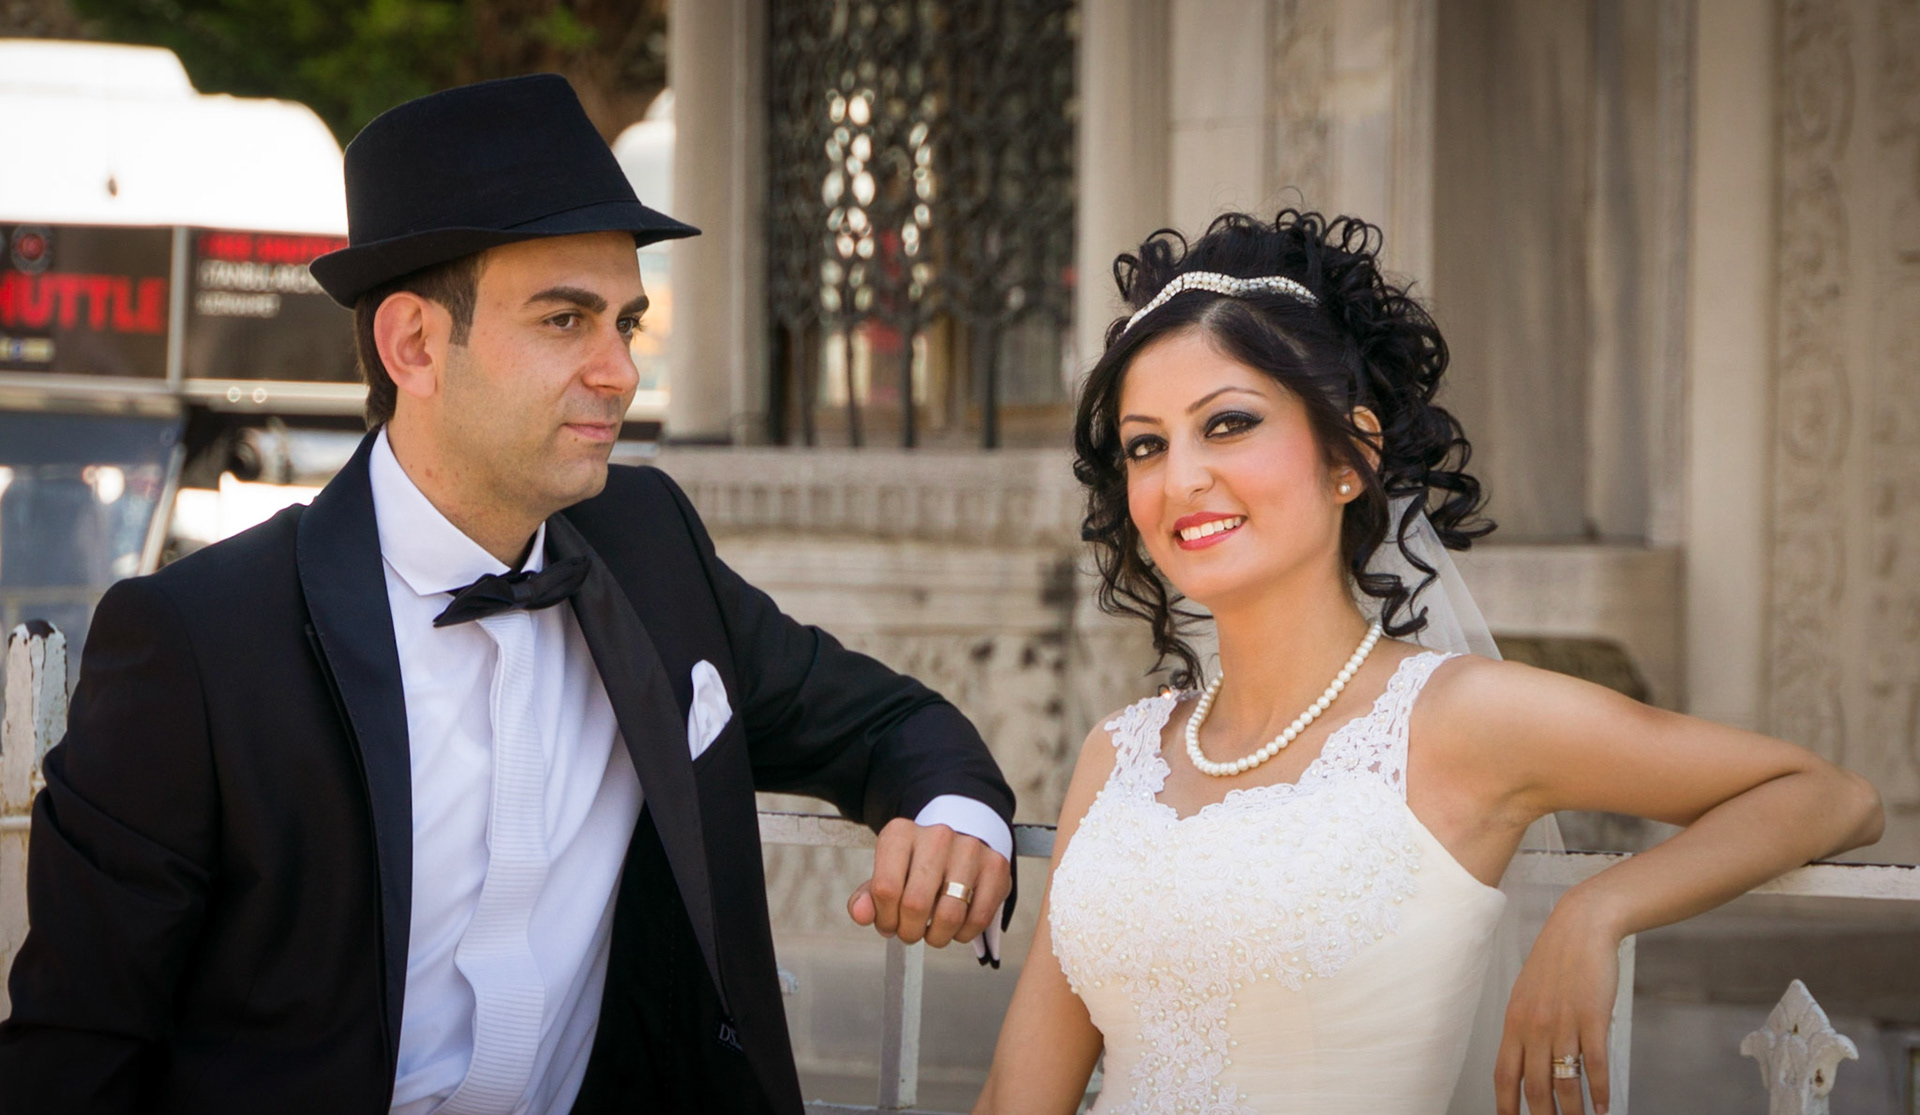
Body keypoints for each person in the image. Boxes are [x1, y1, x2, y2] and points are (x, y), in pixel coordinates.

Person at [0, 74, 1016, 1115]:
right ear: (412, 345)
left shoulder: (648, 544)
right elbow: (76, 1056)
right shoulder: (202, 640)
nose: (619, 369)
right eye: (565, 319)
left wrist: (953, 812)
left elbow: (887, 719)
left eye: (626, 320)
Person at [971, 210, 1883, 1115]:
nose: (1180, 478)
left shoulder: (1455, 720)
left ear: (1351, 453)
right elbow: (1020, 1095)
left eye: (1229, 424)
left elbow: (1834, 797)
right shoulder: (1120, 753)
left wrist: (1598, 910)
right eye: (1146, 444)